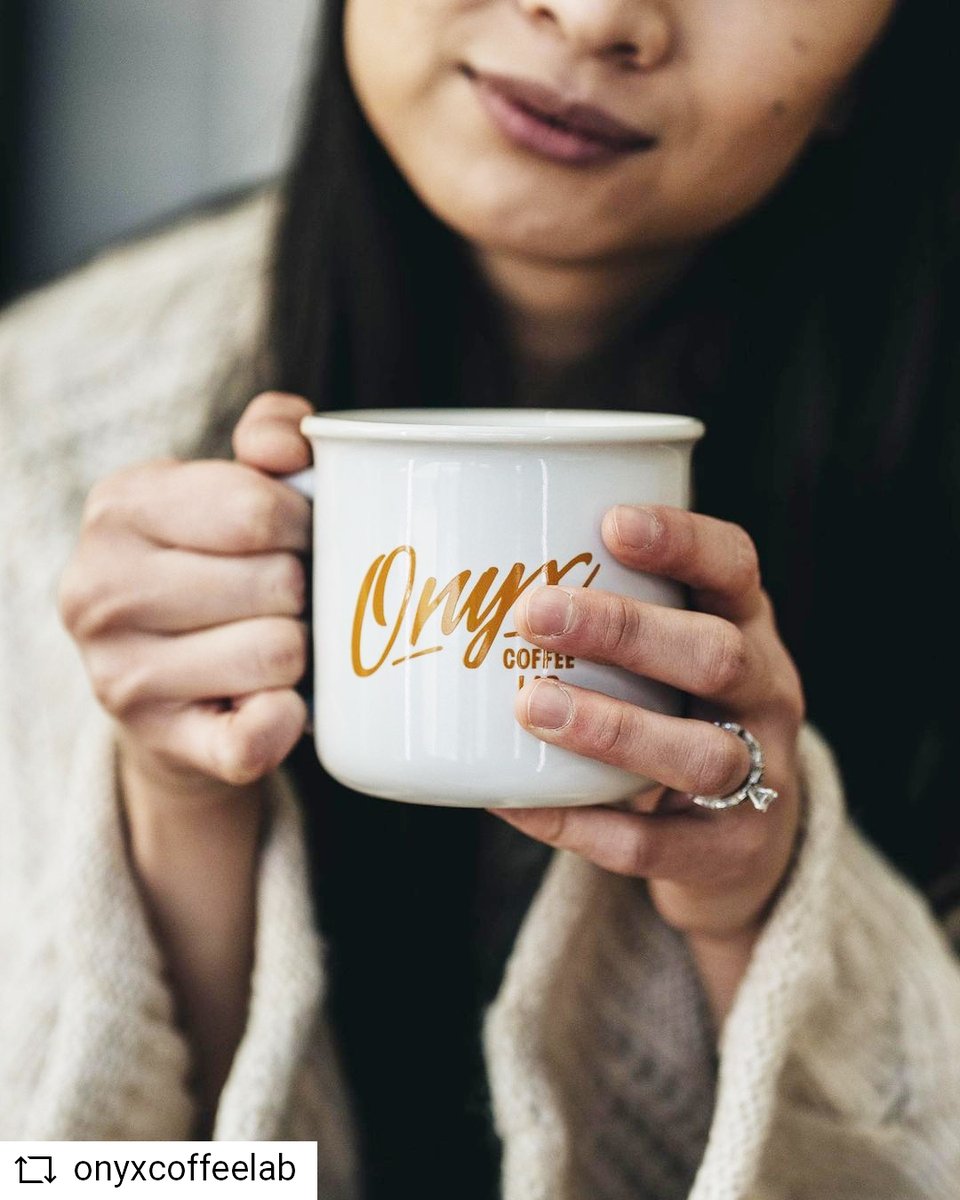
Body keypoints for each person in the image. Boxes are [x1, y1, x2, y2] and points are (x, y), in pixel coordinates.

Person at [1, 0, 958, 1196]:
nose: (600, 16)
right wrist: (176, 801)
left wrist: (765, 911)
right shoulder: (42, 421)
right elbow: (52, 1175)